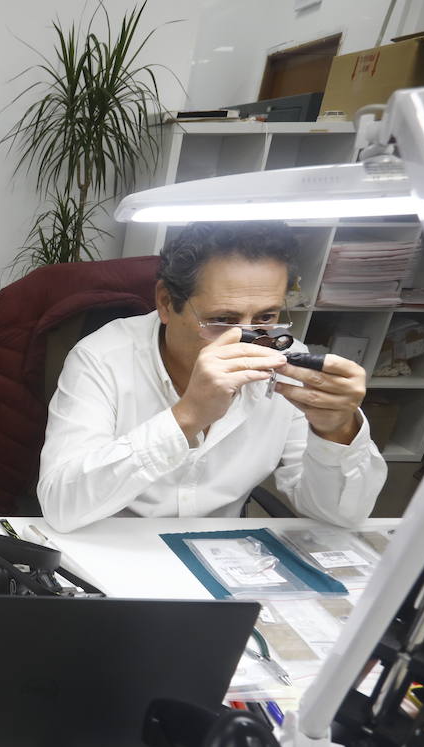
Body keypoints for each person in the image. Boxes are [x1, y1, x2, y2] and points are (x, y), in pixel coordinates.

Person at [38, 221, 386, 532]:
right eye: (222, 319)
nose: (247, 339)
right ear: (165, 302)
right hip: (111, 548)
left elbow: (340, 517)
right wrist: (187, 416)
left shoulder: (288, 362)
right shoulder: (103, 357)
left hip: (222, 554)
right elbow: (60, 506)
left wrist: (335, 432)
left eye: (266, 317)